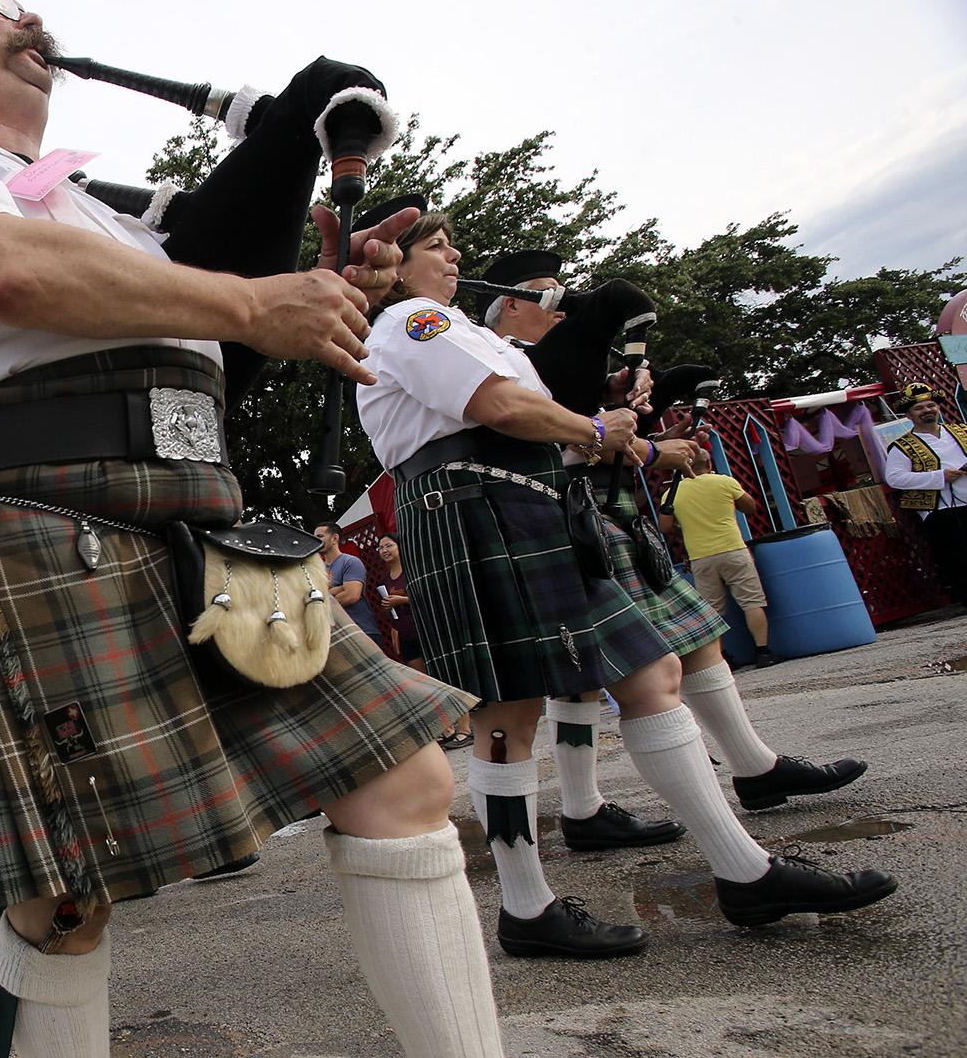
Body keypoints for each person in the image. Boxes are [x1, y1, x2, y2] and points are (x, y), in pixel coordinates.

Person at [0, 0, 805, 1058]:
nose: (32, 26)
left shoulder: (80, 202)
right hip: (36, 521)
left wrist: (287, 131)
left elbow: (203, 275)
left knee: (403, 780)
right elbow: (4, 279)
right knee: (64, 892)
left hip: (200, 515)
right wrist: (248, 299)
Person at [363, 210, 894, 968]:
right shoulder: (410, 322)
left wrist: (608, 413)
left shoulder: (469, 331)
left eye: (453, 245)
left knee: (655, 671)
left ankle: (745, 870)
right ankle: (526, 906)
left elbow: (530, 402)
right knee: (508, 717)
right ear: (397, 261)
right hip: (474, 508)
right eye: (435, 247)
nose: (451, 257)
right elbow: (498, 407)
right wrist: (593, 427)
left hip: (533, 506)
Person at [481, 247, 864, 837]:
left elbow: (596, 427)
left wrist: (636, 409)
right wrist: (655, 446)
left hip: (589, 514)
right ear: (513, 304)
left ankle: (738, 769)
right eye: (551, 297)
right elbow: (573, 436)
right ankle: (720, 791)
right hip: (560, 517)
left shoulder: (539, 363)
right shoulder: (502, 362)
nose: (563, 311)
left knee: (680, 643)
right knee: (634, 664)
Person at [662, 446, 778, 667]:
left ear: (685, 467)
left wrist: (684, 524)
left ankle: (723, 659)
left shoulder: (672, 493)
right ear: (709, 465)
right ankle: (763, 652)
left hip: (701, 556)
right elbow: (750, 506)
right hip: (733, 549)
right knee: (752, 602)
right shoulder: (724, 482)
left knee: (711, 612)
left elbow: (665, 526)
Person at [377, 535, 471, 750]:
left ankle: (465, 728)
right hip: (406, 634)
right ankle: (446, 728)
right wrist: (388, 606)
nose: (384, 550)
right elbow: (388, 612)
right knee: (424, 683)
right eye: (380, 547)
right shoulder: (384, 578)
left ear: (401, 547)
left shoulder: (413, 571)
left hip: (428, 629)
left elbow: (430, 597)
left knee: (446, 677)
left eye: (389, 545)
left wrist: (402, 599)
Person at [881, 380, 967, 603]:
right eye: (919, 408)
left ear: (938, 407)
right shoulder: (902, 446)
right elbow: (895, 477)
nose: (926, 411)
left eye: (930, 406)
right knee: (958, 558)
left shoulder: (961, 431)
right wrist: (939, 477)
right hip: (940, 509)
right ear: (909, 415)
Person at [315, 522, 384, 648]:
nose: (315, 540)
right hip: (338, 635)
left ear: (334, 538)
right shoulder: (318, 571)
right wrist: (340, 588)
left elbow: (351, 595)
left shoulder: (350, 562)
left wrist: (324, 601)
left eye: (320, 536)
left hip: (363, 630)